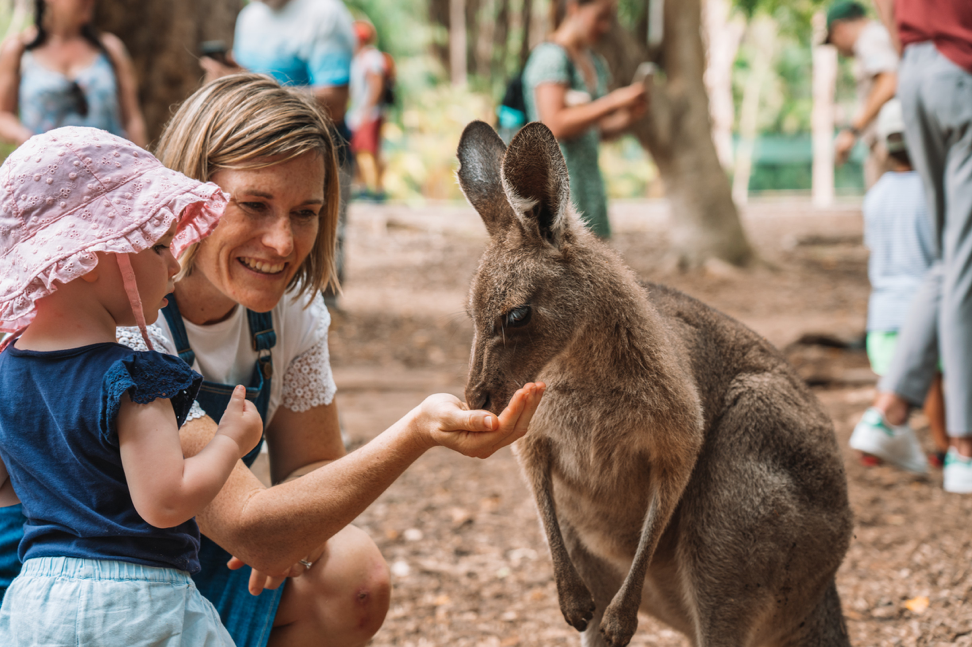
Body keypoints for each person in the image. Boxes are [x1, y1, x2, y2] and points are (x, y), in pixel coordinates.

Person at [0, 73, 544, 647]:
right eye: (254, 205)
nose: (283, 244)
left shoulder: (292, 312)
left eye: (306, 212)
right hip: (74, 577)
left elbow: (310, 466)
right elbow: (213, 516)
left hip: (173, 565)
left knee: (352, 577)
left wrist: (295, 526)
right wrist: (414, 433)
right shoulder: (121, 330)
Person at [0, 127, 262, 644]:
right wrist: (231, 441)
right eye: (160, 245)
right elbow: (165, 500)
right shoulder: (134, 376)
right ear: (93, 256)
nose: (174, 263)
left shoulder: (7, 369)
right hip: (138, 604)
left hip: (35, 606)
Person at [856, 0, 972, 493]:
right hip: (962, 65)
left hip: (918, 70)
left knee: (953, 257)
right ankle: (965, 449)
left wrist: (911, 52)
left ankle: (889, 412)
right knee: (964, 258)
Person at [204, 0, 356, 307]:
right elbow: (249, 84)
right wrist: (229, 81)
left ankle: (319, 308)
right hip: (254, 157)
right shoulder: (250, 16)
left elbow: (336, 103)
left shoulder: (325, 14)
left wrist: (253, 87)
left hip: (316, 155)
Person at [850, 99, 948, 471]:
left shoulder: (876, 196)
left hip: (883, 305)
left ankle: (877, 437)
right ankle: (944, 446)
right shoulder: (933, 192)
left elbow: (875, 248)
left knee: (892, 377)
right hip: (922, 304)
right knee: (933, 379)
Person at [522, 0, 647, 239]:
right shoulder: (550, 57)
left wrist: (627, 117)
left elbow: (595, 131)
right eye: (600, 17)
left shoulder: (594, 62)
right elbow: (553, 125)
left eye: (609, 19)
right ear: (574, 7)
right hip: (557, 189)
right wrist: (613, 101)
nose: (605, 27)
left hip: (589, 186)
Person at [0, 0, 146, 147]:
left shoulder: (109, 48)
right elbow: (2, 115)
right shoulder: (20, 50)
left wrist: (144, 162)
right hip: (45, 163)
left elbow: (132, 120)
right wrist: (26, 137)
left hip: (110, 164)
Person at [823, 0, 898, 187]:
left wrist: (852, 130)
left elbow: (889, 82)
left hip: (891, 141)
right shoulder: (875, 37)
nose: (838, 49)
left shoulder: (870, 38)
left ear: (839, 29)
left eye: (833, 41)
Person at [348, 19, 387, 201]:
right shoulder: (358, 58)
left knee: (371, 150)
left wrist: (367, 110)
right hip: (358, 111)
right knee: (355, 149)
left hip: (370, 112)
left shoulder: (371, 57)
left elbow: (376, 84)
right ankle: (361, 187)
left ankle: (378, 190)